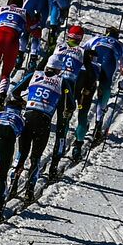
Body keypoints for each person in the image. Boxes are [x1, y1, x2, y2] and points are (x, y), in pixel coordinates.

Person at [73, 27, 123, 158]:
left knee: (83, 107)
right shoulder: (120, 45)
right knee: (102, 98)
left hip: (89, 73)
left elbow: (80, 53)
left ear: (106, 33)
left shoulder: (95, 38)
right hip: (106, 71)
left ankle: (78, 144)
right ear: (117, 36)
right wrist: (122, 84)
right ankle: (98, 127)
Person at [12, 62, 65, 200]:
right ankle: (30, 190)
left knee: (21, 155)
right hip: (44, 122)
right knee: (35, 158)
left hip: (28, 118)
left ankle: (13, 184)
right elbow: (69, 106)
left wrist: (25, 103)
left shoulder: (34, 74)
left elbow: (15, 92)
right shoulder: (61, 82)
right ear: (58, 70)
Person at [44, 25, 88, 178]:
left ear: (68, 36)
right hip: (68, 89)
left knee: (44, 121)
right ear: (81, 39)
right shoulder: (82, 52)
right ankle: (54, 165)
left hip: (53, 85)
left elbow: (47, 64)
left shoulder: (59, 47)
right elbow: (86, 74)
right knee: (62, 128)